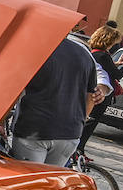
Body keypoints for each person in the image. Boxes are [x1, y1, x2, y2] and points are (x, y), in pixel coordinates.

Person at [10, 35, 99, 180]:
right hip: (70, 132)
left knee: (28, 184)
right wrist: (82, 120)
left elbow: (15, 90)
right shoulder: (85, 54)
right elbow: (91, 96)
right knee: (50, 183)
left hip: (34, 129)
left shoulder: (37, 50)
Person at [79, 27, 123, 154]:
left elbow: (106, 68)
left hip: (91, 91)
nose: (114, 45)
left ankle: (79, 151)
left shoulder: (94, 52)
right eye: (114, 42)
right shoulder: (103, 55)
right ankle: (79, 151)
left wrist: (117, 63)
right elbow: (117, 74)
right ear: (109, 41)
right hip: (101, 95)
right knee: (90, 125)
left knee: (86, 123)